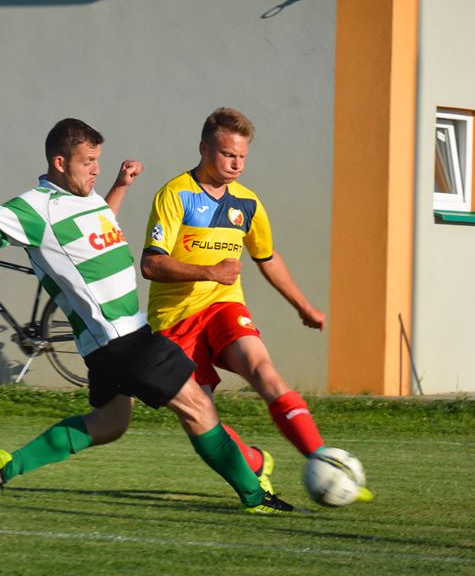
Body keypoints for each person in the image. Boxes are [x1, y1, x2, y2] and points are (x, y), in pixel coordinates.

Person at [0, 117, 294, 515]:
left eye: (98, 161)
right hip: (124, 340)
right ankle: (254, 495)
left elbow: (96, 222)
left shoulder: (85, 197)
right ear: (60, 163)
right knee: (199, 409)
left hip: (106, 346)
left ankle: (4, 467)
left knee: (110, 424)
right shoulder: (35, 208)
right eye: (88, 161)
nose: (95, 169)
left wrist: (120, 186)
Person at [140, 107, 371, 504]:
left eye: (242, 156)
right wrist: (210, 271)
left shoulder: (247, 203)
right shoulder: (175, 194)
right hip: (174, 320)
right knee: (200, 417)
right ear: (204, 148)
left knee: (263, 370)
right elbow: (151, 264)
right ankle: (255, 462)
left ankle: (322, 461)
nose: (236, 164)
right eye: (227, 154)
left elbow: (267, 256)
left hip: (224, 307)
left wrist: (303, 305)